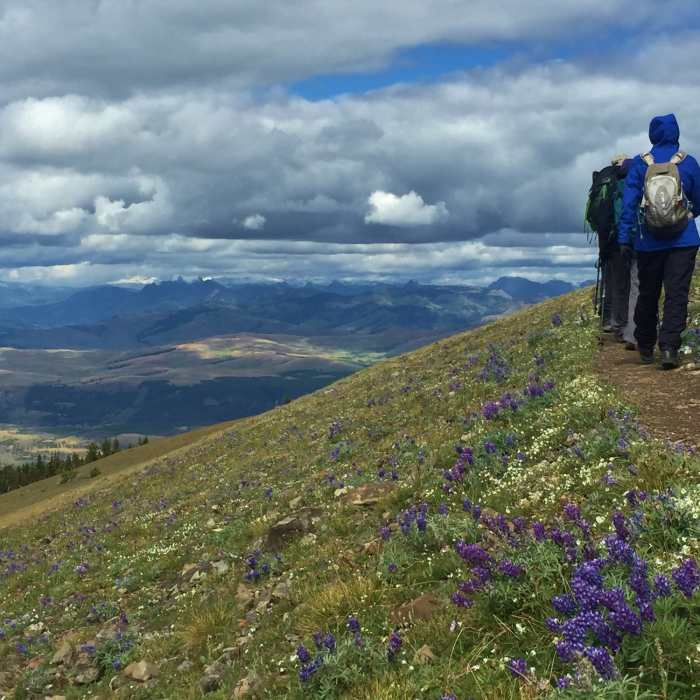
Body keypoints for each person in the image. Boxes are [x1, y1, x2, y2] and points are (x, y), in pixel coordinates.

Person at [618, 114, 700, 369]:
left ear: (653, 135)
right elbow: (698, 201)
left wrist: (624, 238)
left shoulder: (641, 165)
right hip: (683, 240)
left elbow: (629, 205)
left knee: (648, 293)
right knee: (677, 295)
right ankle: (669, 349)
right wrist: (684, 216)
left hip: (648, 241)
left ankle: (645, 345)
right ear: (676, 133)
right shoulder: (688, 163)